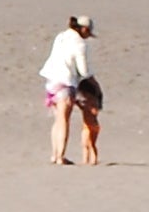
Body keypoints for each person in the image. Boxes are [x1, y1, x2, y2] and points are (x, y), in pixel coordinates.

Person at [40, 14, 102, 166]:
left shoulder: (61, 36)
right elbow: (84, 71)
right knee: (64, 120)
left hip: (51, 81)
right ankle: (60, 156)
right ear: (85, 29)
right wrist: (95, 84)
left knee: (57, 119)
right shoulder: (80, 44)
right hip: (65, 82)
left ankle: (54, 154)